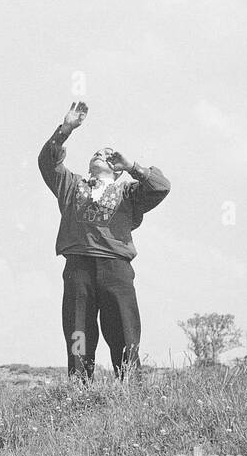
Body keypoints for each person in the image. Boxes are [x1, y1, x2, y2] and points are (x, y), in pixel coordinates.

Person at [38, 100, 170, 380]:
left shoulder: (129, 192)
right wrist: (65, 130)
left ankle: (130, 389)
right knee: (78, 331)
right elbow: (47, 163)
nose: (101, 154)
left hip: (116, 270)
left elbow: (161, 187)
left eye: (109, 154)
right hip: (78, 269)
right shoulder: (72, 185)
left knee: (123, 330)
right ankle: (78, 387)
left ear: (117, 168)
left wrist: (133, 165)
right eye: (97, 152)